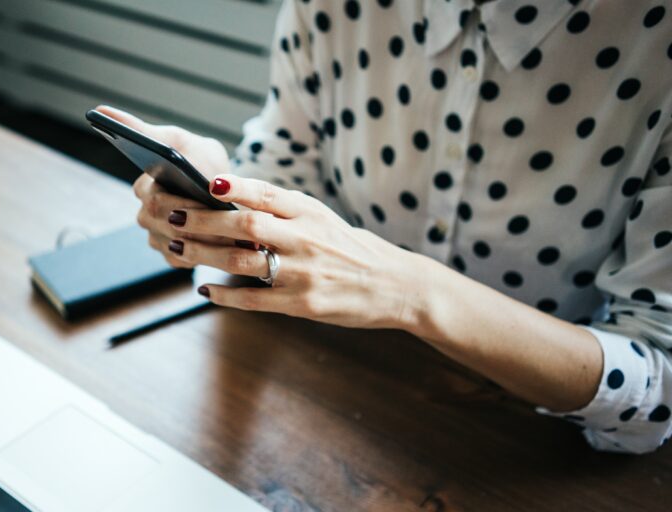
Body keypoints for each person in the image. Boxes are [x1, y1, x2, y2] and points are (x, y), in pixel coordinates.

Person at [99, 0, 672, 453]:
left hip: (535, 442)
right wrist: (219, 195)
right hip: (346, 394)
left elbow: (656, 388)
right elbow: (287, 180)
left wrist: (411, 292)